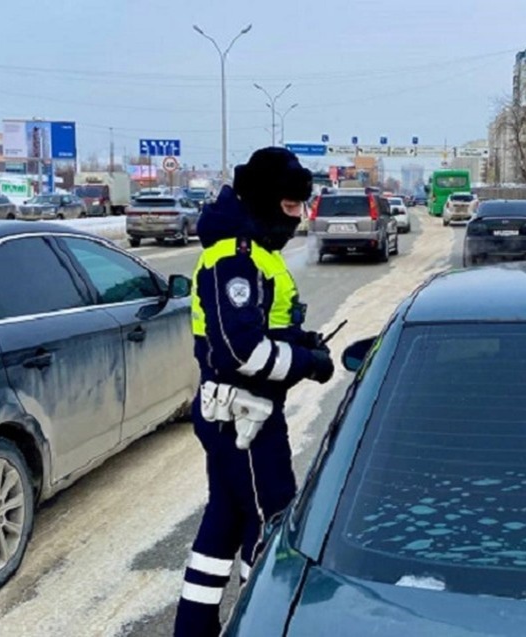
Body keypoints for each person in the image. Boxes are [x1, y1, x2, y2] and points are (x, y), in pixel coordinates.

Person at [173, 148, 335, 637]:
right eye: (291, 206)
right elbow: (238, 352)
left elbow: (266, 327)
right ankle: (260, 624)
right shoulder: (235, 257)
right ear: (266, 201)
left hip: (240, 415)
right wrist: (305, 363)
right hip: (245, 418)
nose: (299, 217)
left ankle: (194, 628)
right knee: (271, 522)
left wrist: (300, 341)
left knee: (225, 518)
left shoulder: (255, 251)